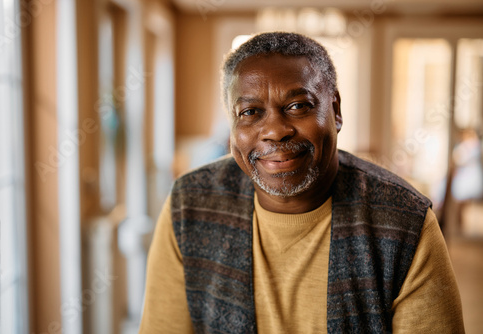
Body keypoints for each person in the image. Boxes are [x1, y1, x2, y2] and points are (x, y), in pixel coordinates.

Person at [138, 32, 464, 333]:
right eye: (250, 112)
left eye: (298, 106)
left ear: (335, 111)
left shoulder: (405, 222)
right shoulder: (189, 204)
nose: (275, 130)